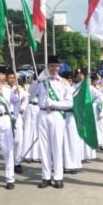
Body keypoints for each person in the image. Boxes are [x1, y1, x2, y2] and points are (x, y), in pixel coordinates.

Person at [36, 56, 72, 189]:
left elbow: (69, 103)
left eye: (56, 66)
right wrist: (38, 80)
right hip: (42, 114)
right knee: (44, 147)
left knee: (57, 146)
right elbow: (30, 93)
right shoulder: (41, 81)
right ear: (47, 66)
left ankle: (58, 177)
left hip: (57, 114)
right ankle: (45, 177)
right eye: (51, 66)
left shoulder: (64, 83)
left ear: (59, 67)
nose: (54, 68)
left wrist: (54, 103)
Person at [62, 70, 84, 174]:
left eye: (71, 79)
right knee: (62, 142)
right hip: (61, 116)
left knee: (73, 141)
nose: (69, 81)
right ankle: (63, 164)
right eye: (67, 79)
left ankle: (74, 165)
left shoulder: (75, 88)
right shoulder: (60, 89)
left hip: (72, 117)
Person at [8, 70, 28, 174]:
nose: (12, 80)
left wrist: (23, 108)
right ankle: (10, 162)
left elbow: (25, 99)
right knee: (8, 140)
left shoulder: (20, 89)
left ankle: (17, 162)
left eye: (13, 78)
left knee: (18, 140)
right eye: (10, 77)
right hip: (7, 115)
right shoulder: (4, 89)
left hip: (17, 115)